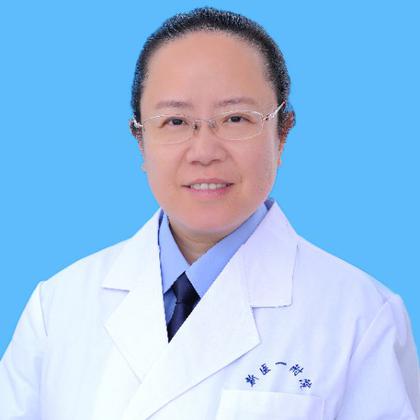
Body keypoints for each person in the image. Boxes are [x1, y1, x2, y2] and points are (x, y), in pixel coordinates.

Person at [0, 6, 419, 420]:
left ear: (282, 133)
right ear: (140, 139)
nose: (204, 152)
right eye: (175, 121)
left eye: (235, 118)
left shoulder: (362, 317)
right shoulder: (57, 307)